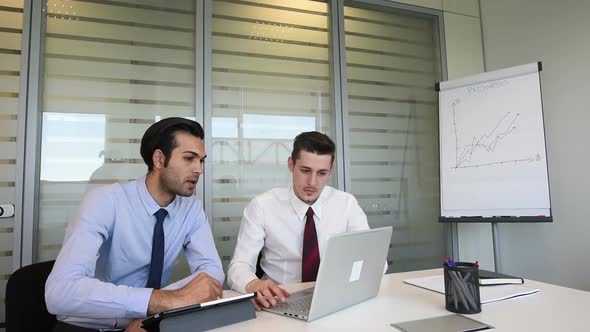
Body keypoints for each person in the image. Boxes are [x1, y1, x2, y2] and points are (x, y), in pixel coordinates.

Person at [45, 117, 224, 332]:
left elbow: (212, 273)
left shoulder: (191, 208)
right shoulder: (105, 201)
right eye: (189, 158)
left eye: (201, 160)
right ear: (159, 159)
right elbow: (60, 292)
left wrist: (159, 309)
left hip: (151, 323)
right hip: (89, 326)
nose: (199, 170)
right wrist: (160, 302)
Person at [227, 131, 375, 310]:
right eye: (305, 171)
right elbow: (239, 266)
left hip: (335, 298)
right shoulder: (262, 206)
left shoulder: (346, 204)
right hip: (280, 301)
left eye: (322, 173)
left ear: (331, 171)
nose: (312, 182)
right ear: (291, 164)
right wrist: (252, 284)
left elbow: (373, 260)